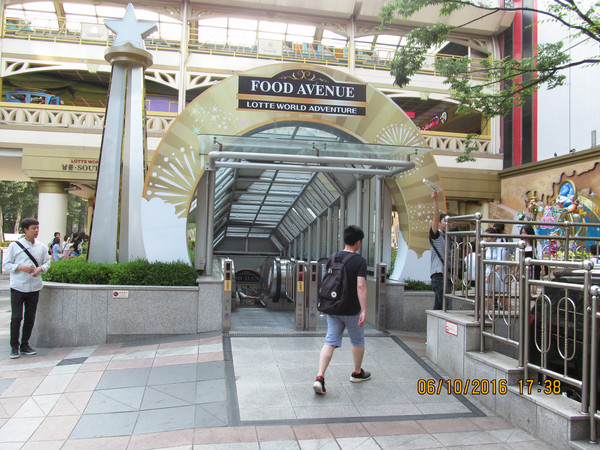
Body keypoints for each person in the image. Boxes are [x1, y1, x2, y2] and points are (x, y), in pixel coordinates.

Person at [313, 225, 369, 395]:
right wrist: (364, 310)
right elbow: (361, 286)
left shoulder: (333, 257)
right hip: (352, 309)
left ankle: (320, 377)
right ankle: (357, 373)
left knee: (330, 341)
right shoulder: (360, 261)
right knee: (357, 341)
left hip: (333, 307)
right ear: (358, 242)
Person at [2, 218, 51, 359]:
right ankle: (14, 346)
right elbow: (6, 264)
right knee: (16, 317)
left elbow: (47, 263)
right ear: (25, 230)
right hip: (18, 287)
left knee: (30, 317)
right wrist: (20, 267)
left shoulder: (41, 247)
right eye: (33, 228)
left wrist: (40, 269)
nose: (36, 231)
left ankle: (25, 344)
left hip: (34, 287)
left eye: (37, 228)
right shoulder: (15, 246)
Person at [429, 190, 452, 310]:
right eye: (446, 221)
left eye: (450, 221)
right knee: (445, 307)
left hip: (445, 276)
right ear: (438, 224)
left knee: (439, 308)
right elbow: (436, 217)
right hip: (439, 275)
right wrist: (435, 200)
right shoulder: (436, 235)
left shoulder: (448, 238)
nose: (449, 223)